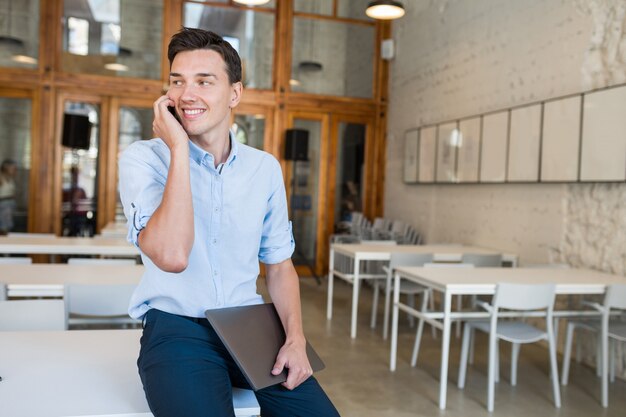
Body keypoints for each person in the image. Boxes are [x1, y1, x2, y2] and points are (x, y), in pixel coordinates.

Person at [118, 28, 340, 417]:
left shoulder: (264, 168)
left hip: (250, 326)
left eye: (204, 81)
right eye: (177, 81)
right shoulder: (144, 159)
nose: (187, 94)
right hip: (176, 330)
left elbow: (279, 264)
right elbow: (172, 255)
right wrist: (179, 150)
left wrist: (296, 338)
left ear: (234, 93)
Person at [0, 158, 17, 234]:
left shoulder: (10, 178)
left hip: (9, 204)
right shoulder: (1, 178)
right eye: (13, 168)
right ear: (6, 168)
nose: (15, 170)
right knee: (4, 226)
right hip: (3, 204)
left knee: (7, 225)